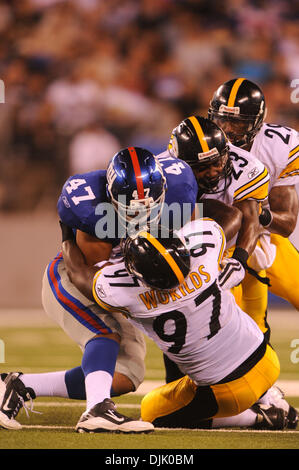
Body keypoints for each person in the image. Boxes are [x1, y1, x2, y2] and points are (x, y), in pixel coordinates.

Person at [0, 146, 241, 432]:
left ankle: (18, 385)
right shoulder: (90, 208)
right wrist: (148, 303)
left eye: (149, 206)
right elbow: (92, 282)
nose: (140, 214)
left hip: (129, 284)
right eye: (130, 208)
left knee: (128, 374)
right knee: (105, 333)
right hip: (77, 280)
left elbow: (227, 215)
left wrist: (218, 257)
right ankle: (96, 411)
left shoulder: (180, 188)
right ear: (112, 197)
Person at [57, 217, 289, 430]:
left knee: (151, 410)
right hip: (267, 358)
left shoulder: (128, 294)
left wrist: (67, 232)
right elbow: (224, 221)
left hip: (227, 391)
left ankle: (258, 418)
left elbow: (78, 274)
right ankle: (268, 398)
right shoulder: (205, 248)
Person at [162, 114, 298, 429]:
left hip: (243, 247)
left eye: (216, 163)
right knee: (196, 333)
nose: (212, 172)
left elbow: (250, 216)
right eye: (201, 167)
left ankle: (264, 395)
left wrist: (238, 258)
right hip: (188, 250)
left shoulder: (249, 167)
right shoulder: (163, 175)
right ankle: (250, 406)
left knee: (248, 321)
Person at [208, 77, 299, 332]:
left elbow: (287, 224)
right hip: (221, 246)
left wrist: (259, 216)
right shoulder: (200, 145)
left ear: (256, 122)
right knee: (226, 325)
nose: (226, 128)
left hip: (264, 235)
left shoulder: (279, 146)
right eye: (221, 119)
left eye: (236, 122)